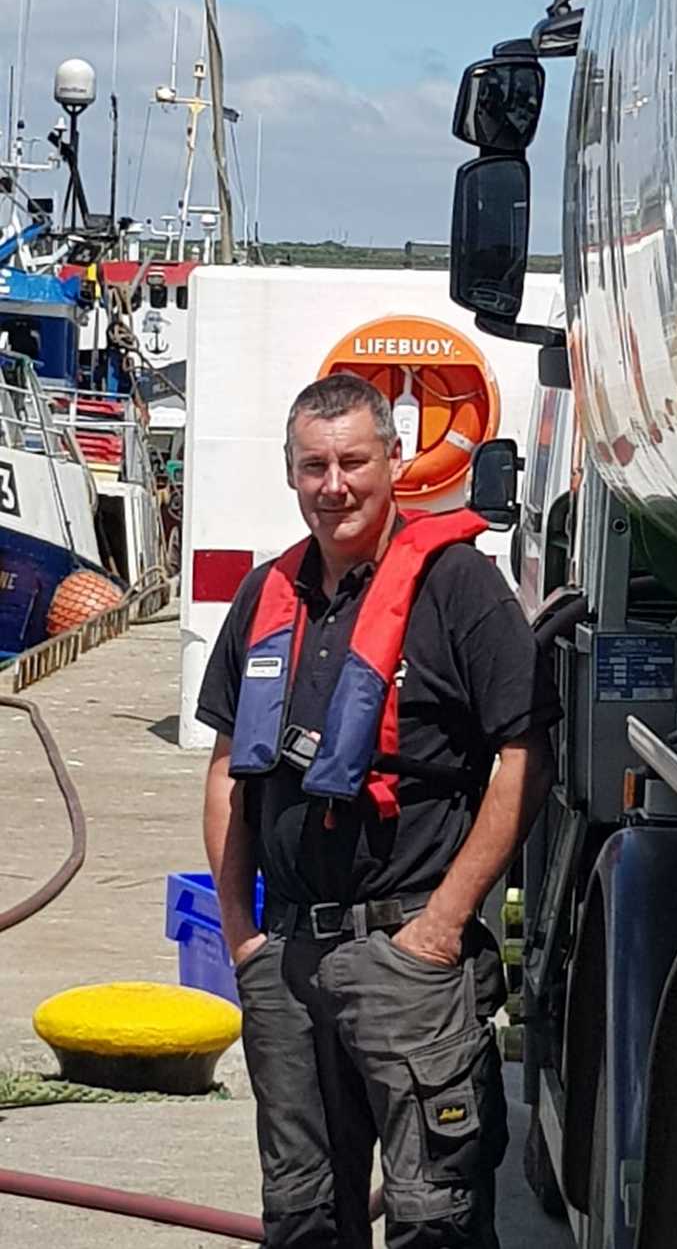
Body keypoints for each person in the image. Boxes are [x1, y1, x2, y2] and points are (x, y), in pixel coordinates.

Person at [197, 373, 560, 1249]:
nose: (335, 485)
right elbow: (224, 772)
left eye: (353, 461)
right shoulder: (266, 594)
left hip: (408, 960)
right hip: (286, 960)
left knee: (435, 1214)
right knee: (301, 1213)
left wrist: (442, 926)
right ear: (291, 473)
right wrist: (241, 933)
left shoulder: (459, 588)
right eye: (313, 465)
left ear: (394, 460)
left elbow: (525, 758)